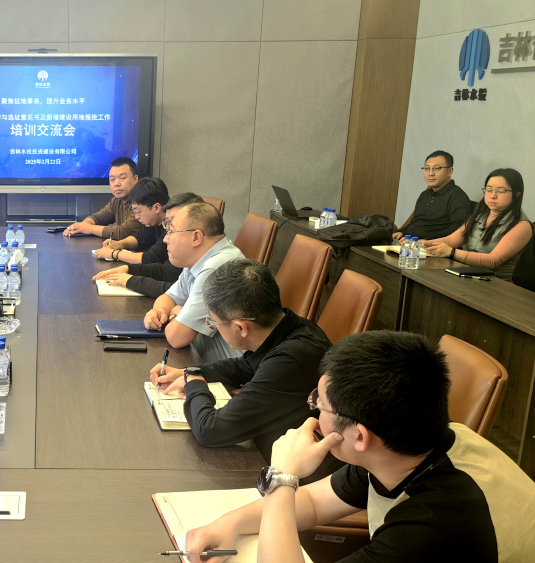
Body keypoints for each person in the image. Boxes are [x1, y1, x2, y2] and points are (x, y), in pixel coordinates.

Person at [181, 331, 535, 563]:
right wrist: (227, 525)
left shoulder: (432, 527)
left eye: (319, 405)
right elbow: (315, 503)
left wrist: (281, 478)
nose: (313, 413)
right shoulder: (407, 448)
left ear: (359, 436)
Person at [148, 259, 341, 480]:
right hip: (269, 450)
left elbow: (209, 430)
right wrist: (190, 371)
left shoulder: (290, 361)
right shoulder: (291, 326)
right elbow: (244, 367)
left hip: (295, 475)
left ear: (241, 327)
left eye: (214, 323)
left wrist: (194, 383)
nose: (214, 328)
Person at [143, 202, 244, 361]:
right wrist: (159, 312)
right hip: (200, 358)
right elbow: (168, 297)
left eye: (171, 231)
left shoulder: (217, 267)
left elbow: (177, 338)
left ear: (196, 237)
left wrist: (175, 314)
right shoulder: (198, 259)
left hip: (231, 372)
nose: (166, 239)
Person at [422, 168, 531, 282]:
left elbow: (493, 260)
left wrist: (452, 252)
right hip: (467, 275)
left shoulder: (522, 226)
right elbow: (450, 241)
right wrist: (421, 243)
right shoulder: (480, 215)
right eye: (489, 189)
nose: (493, 195)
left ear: (517, 194)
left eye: (501, 191)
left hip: (495, 283)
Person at [91, 192, 204, 298]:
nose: (166, 239)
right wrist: (128, 269)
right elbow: (166, 273)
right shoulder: (187, 261)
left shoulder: (208, 268)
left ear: (196, 237)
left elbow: (177, 293)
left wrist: (130, 279)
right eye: (167, 225)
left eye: (172, 227)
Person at [393, 150, 472, 241]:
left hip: (434, 246)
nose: (430, 173)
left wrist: (427, 241)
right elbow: (417, 222)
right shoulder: (424, 195)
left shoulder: (458, 196)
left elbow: (458, 228)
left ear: (449, 171)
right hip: (411, 243)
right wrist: (402, 233)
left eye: (437, 168)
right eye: (427, 168)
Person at [92, 177, 169, 263]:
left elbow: (152, 258)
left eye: (138, 212)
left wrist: (114, 254)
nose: (136, 217)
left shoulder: (172, 226)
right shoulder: (156, 222)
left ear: (157, 207)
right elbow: (139, 238)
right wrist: (118, 244)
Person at [62, 157, 144, 239]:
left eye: (122, 178)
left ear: (135, 179)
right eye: (112, 179)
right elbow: (99, 218)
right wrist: (81, 227)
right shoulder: (116, 201)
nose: (116, 183)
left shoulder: (142, 201)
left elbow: (124, 232)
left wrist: (89, 228)